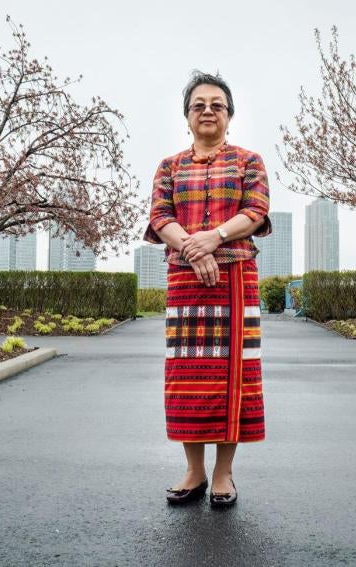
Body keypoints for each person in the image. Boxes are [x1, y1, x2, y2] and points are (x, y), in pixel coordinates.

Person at [144, 70, 271, 508]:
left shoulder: (249, 162)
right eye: (199, 104)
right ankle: (194, 471)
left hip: (234, 277)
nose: (208, 111)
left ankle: (223, 474)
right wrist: (193, 250)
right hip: (185, 280)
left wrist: (213, 239)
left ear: (229, 115)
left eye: (217, 104)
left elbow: (256, 210)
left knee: (233, 373)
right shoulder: (169, 166)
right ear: (187, 116)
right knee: (187, 377)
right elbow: (160, 217)